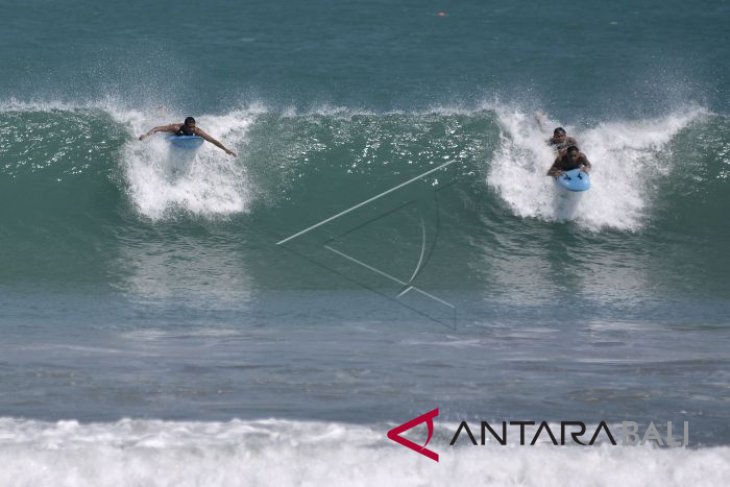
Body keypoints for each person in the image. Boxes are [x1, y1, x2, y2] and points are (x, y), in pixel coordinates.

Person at [138, 117, 237, 156]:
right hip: (176, 134)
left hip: (185, 136)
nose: (193, 129)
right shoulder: (176, 128)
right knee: (166, 123)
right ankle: (162, 113)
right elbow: (157, 128)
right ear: (185, 126)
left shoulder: (197, 131)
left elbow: (212, 140)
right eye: (190, 127)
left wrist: (225, 149)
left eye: (194, 126)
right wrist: (146, 135)